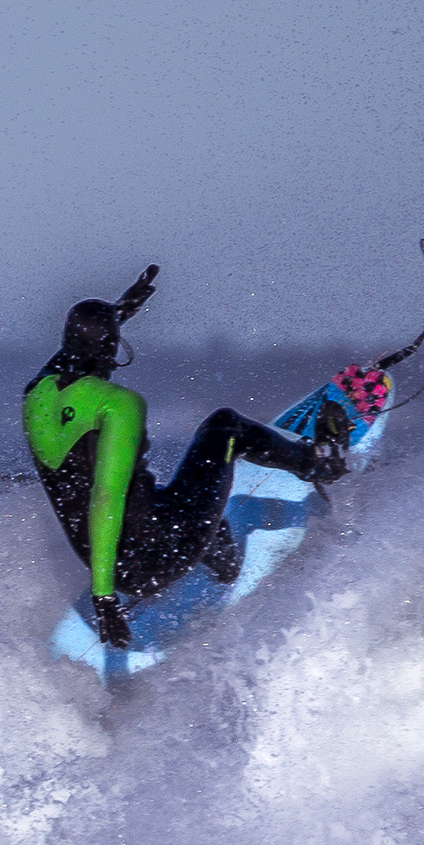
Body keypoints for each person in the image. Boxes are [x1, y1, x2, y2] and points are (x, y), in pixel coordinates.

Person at [24, 264, 351, 651]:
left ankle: (217, 550)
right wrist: (104, 598)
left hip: (113, 559)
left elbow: (73, 358)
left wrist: (118, 313)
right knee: (226, 427)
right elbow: (106, 498)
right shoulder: (117, 405)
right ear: (111, 349)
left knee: (169, 503)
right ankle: (320, 461)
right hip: (154, 559)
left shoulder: (36, 394)